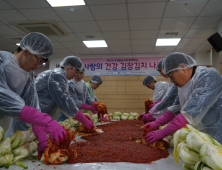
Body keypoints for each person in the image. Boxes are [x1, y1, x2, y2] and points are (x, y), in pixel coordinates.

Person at [0, 32, 66, 159]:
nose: (37, 67)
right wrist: (47, 120)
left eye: (42, 64)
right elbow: (5, 98)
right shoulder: (2, 62)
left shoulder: (27, 75)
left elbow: (31, 105)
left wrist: (41, 135)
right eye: (39, 61)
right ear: (26, 51)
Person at [145, 52, 222, 144]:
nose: (172, 81)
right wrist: (157, 123)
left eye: (171, 76)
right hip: (202, 133)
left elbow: (190, 111)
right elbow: (176, 108)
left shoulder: (208, 76)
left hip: (218, 130)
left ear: (182, 67)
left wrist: (163, 132)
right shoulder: (184, 85)